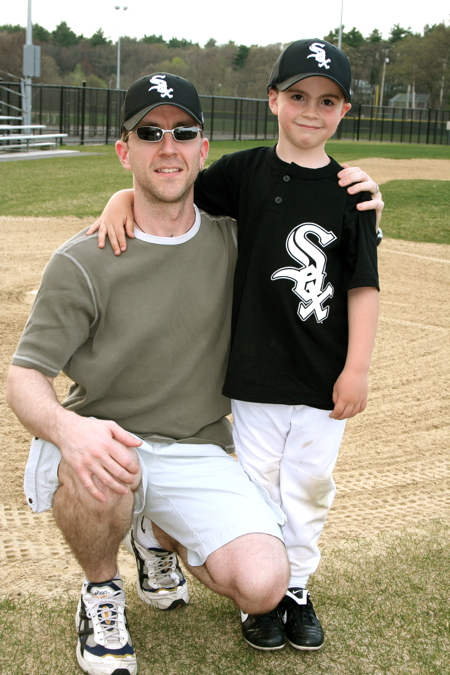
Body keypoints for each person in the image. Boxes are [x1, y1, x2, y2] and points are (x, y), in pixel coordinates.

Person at [92, 40, 381, 654]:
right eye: (298, 95)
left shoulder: (352, 192)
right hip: (253, 376)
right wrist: (121, 197)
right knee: (256, 485)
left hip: (324, 380)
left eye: (327, 100)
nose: (311, 110)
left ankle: (295, 584)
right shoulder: (244, 173)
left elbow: (363, 286)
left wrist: (357, 368)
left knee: (309, 485)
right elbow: (173, 191)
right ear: (272, 99)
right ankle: (265, 595)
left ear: (345, 111)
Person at [6, 73, 291, 675]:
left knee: (264, 584)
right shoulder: (81, 259)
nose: (168, 146)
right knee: (98, 465)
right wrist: (66, 429)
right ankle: (102, 591)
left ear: (203, 149)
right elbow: (25, 376)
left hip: (197, 446)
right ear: (123, 150)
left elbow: (316, 225)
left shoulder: (237, 244)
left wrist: (364, 202)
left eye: (183, 132)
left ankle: (157, 537)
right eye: (149, 133)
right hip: (108, 442)